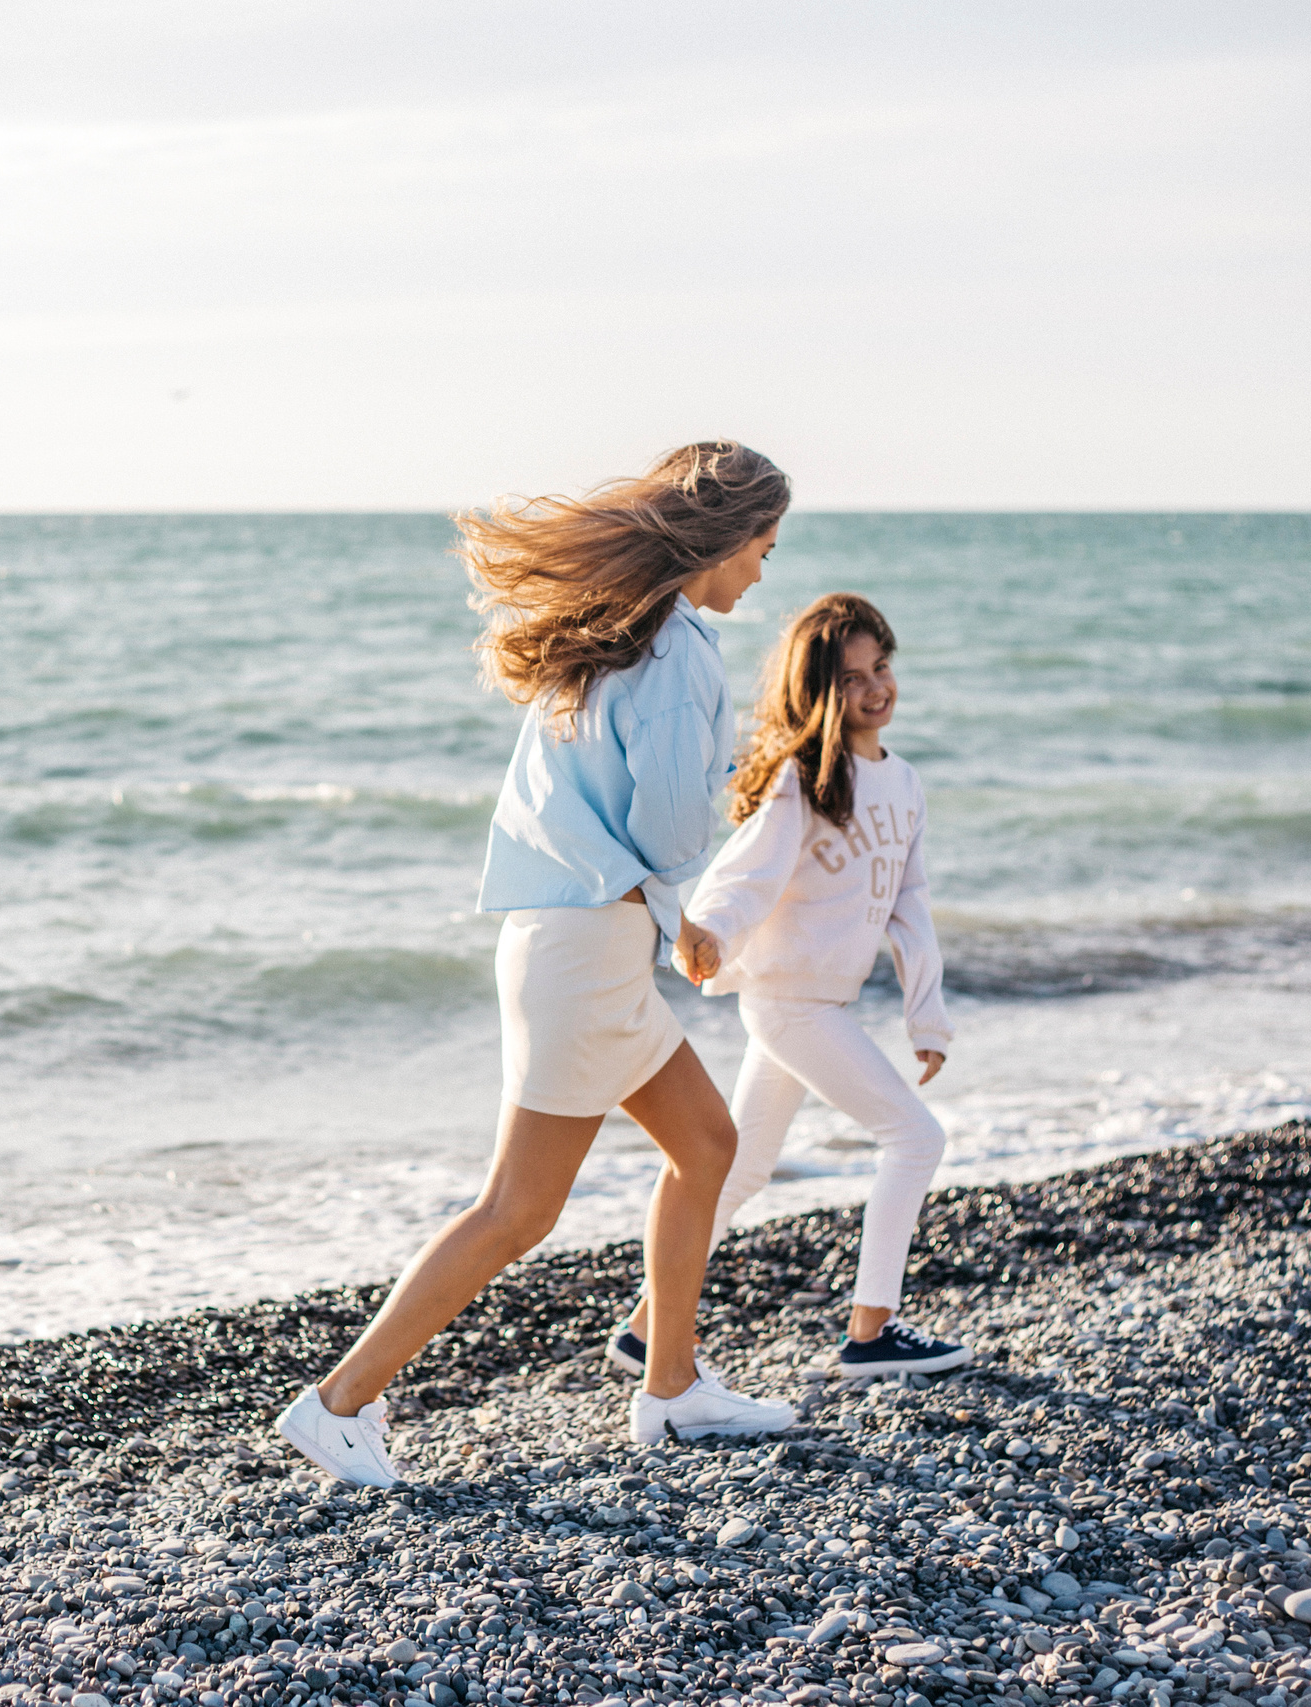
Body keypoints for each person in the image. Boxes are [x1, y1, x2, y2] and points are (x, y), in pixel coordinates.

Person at [275, 442, 802, 1487]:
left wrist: (676, 916)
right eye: (762, 548)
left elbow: (600, 824)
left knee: (706, 1145)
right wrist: (713, 809)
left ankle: (674, 1389)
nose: (761, 573)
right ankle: (337, 1404)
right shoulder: (675, 650)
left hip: (578, 939)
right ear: (722, 539)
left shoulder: (616, 639)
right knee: (519, 1208)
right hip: (587, 957)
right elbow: (660, 818)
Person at [604, 591, 970, 1384]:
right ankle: (872, 1332)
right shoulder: (804, 781)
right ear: (816, 690)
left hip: (821, 1004)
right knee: (917, 1138)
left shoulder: (902, 783)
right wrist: (703, 934)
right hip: (787, 1003)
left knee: (740, 1170)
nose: (876, 688)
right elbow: (746, 875)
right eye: (851, 677)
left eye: (883, 668)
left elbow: (910, 903)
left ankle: (643, 1329)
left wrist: (926, 1016)